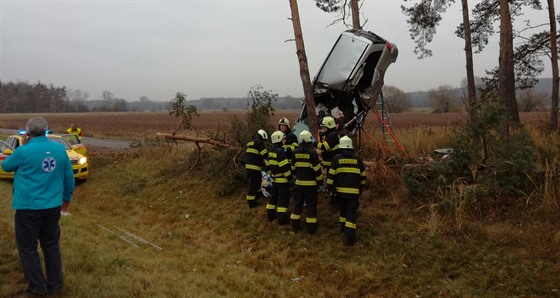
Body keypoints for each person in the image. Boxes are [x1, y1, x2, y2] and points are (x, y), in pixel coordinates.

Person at [1, 117, 75, 296]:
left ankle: (38, 288)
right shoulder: (59, 149)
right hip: (52, 207)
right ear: (46, 131)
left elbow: (6, 165)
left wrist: (23, 145)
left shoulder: (24, 151)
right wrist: (66, 199)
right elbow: (69, 178)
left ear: (28, 132)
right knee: (51, 245)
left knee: (28, 248)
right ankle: (55, 286)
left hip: (28, 209)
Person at [327, 136, 366, 246]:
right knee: (351, 214)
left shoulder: (336, 159)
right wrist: (361, 189)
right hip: (353, 194)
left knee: (342, 211)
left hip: (340, 193)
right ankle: (349, 238)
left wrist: (331, 190)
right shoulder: (358, 160)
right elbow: (363, 177)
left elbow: (330, 177)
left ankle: (343, 229)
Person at [290, 130, 323, 234]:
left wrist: (296, 179)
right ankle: (311, 229)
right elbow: (317, 171)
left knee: (297, 205)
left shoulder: (295, 153)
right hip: (311, 187)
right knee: (311, 207)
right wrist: (320, 183)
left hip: (298, 185)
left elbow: (293, 169)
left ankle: (295, 226)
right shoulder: (313, 154)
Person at [265, 131, 292, 224]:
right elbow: (284, 168)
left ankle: (270, 216)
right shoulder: (280, 152)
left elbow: (267, 166)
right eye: (283, 139)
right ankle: (282, 219)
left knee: (273, 198)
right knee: (283, 200)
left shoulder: (271, 151)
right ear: (279, 140)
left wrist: (272, 175)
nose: (284, 141)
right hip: (282, 180)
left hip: (274, 180)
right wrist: (290, 179)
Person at [315, 116, 340, 208]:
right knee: (330, 182)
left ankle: (335, 202)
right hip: (330, 163)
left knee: (332, 182)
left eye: (324, 127)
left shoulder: (333, 135)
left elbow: (325, 147)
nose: (323, 129)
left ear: (329, 126)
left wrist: (314, 143)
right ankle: (333, 199)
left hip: (333, 164)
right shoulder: (331, 134)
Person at [245, 129, 268, 208]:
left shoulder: (250, 142)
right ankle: (252, 203)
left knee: (256, 182)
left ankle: (257, 197)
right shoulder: (259, 142)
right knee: (254, 184)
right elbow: (264, 155)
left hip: (248, 166)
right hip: (255, 167)